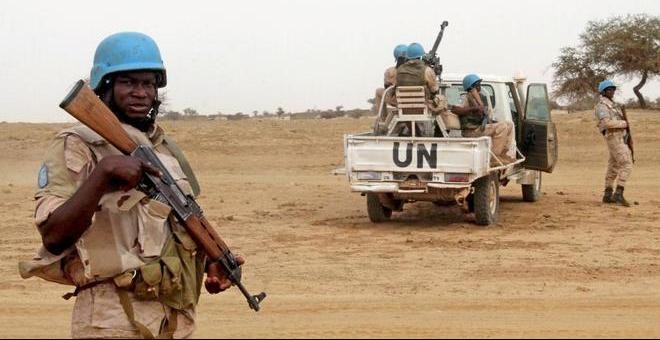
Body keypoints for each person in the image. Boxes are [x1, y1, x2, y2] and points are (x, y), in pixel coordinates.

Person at [18, 31, 241, 338]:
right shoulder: (79, 144)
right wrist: (103, 176)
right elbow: (54, 236)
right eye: (128, 82)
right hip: (112, 315)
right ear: (104, 87)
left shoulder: (165, 149)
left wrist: (210, 263)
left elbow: (174, 227)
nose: (140, 92)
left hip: (175, 317)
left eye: (148, 83)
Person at [450, 73, 515, 164]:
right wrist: (475, 108)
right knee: (502, 127)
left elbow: (482, 116)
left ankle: (503, 153)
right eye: (478, 85)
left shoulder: (477, 98)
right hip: (471, 131)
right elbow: (455, 109)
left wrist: (489, 119)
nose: (479, 87)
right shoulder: (466, 97)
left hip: (479, 127)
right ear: (473, 86)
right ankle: (494, 157)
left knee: (509, 124)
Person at [594, 79, 632, 206]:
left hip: (619, 136)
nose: (612, 92)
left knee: (614, 166)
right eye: (609, 90)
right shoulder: (601, 106)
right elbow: (606, 123)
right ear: (603, 92)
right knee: (627, 164)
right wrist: (624, 123)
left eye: (613, 89)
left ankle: (608, 193)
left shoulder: (613, 105)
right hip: (613, 137)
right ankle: (619, 194)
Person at [373, 43, 407, 118]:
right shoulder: (418, 72)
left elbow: (387, 89)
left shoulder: (389, 71)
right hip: (417, 100)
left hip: (398, 101)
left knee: (378, 91)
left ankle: (383, 118)